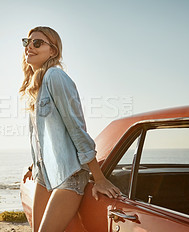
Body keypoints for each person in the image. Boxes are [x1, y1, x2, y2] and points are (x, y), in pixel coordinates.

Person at [20, 26, 121, 232]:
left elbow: (76, 129)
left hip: (70, 175)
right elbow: (44, 135)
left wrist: (98, 178)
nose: (29, 47)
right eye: (27, 42)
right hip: (45, 172)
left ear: (53, 51)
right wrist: (36, 163)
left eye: (37, 43)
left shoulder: (55, 77)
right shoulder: (37, 85)